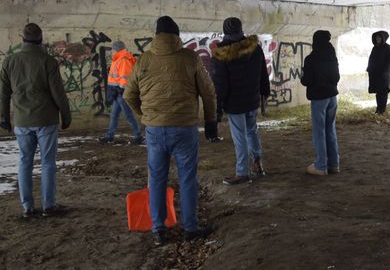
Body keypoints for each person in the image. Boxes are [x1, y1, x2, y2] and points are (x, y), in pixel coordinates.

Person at [123, 16, 218, 246]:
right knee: (187, 178)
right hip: (184, 129)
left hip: (155, 131)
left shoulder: (144, 59)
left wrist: (145, 117)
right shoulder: (190, 57)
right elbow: (208, 92)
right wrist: (211, 122)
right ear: (176, 36)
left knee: (157, 179)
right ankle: (191, 228)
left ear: (156, 36)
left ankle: (158, 229)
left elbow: (128, 95)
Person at [0, 23, 71, 218]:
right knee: (48, 163)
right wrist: (66, 116)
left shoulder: (9, 61)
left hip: (22, 121)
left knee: (25, 162)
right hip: (46, 120)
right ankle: (49, 206)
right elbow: (58, 93)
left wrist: (4, 118)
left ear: (22, 39)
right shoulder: (48, 61)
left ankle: (28, 207)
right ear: (41, 40)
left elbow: (3, 93)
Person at [211, 17, 270, 185]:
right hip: (252, 99)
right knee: (252, 131)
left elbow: (220, 84)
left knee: (240, 137)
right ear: (241, 29)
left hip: (235, 103)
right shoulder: (255, 48)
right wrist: (264, 92)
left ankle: (242, 172)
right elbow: (263, 73)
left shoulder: (221, 53)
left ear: (225, 31)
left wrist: (218, 107)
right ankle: (257, 163)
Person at [301, 30, 341, 176]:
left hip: (319, 98)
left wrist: (302, 75)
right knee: (330, 130)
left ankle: (321, 166)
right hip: (332, 97)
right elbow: (337, 77)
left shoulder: (311, 59)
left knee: (319, 132)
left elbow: (307, 81)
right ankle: (334, 164)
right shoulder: (332, 56)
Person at [98, 41, 143, 145]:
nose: (111, 51)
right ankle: (110, 136)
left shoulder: (123, 60)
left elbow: (125, 77)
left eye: (113, 49)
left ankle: (138, 135)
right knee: (114, 115)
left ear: (117, 49)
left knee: (128, 115)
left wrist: (120, 90)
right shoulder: (118, 59)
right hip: (117, 92)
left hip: (121, 93)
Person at [366, 30, 390, 115]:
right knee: (378, 92)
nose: (377, 39)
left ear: (383, 38)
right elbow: (371, 59)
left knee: (383, 92)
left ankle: (382, 110)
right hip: (375, 74)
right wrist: (369, 68)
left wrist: (383, 70)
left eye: (379, 37)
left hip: (384, 74)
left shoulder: (388, 48)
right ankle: (378, 109)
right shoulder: (375, 48)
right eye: (376, 37)